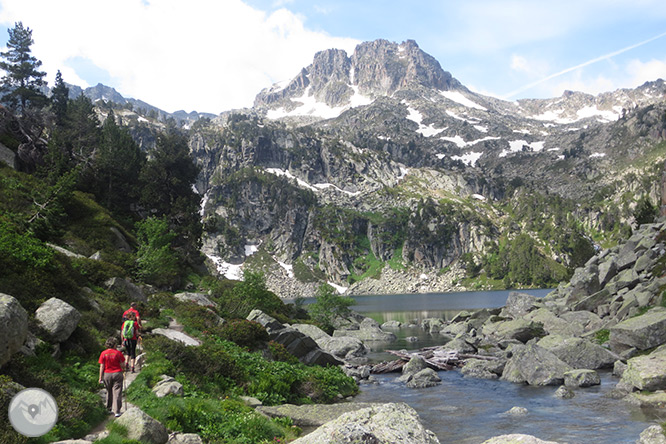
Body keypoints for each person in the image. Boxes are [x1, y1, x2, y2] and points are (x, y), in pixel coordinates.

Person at [98, 337, 125, 417]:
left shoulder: (103, 353)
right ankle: (117, 411)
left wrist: (100, 377)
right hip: (117, 373)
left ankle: (108, 409)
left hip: (107, 374)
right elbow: (123, 364)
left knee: (108, 391)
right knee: (117, 391)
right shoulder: (118, 353)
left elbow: (102, 366)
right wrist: (123, 370)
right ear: (114, 345)